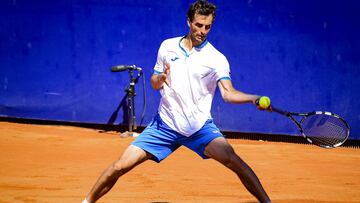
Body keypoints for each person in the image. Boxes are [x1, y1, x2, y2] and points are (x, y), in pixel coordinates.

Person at [82, 0, 271, 202]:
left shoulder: (216, 59)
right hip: (165, 125)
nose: (203, 31)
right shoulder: (168, 46)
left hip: (198, 129)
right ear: (189, 21)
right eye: (198, 25)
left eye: (208, 27)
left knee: (235, 162)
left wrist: (254, 99)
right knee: (120, 166)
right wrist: (160, 78)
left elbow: (228, 93)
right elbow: (154, 83)